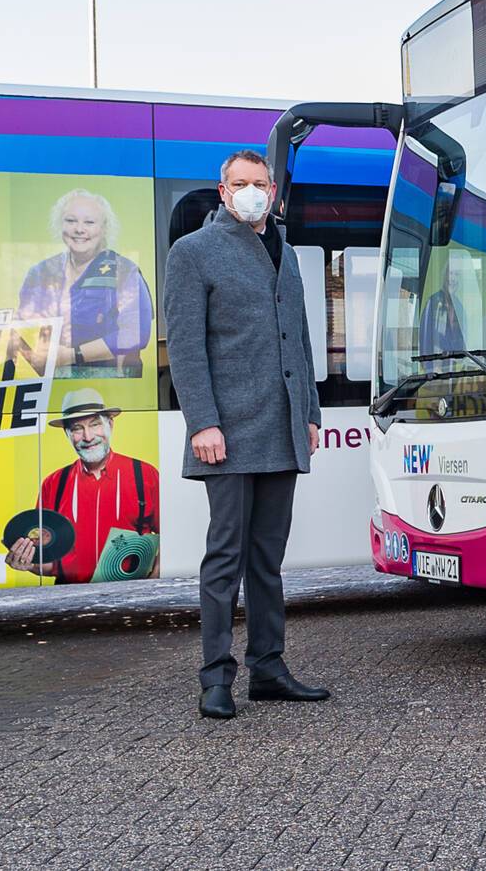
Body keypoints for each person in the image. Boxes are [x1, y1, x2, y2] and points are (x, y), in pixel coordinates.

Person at [165, 149, 326, 720]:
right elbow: (185, 348)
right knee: (224, 557)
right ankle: (215, 678)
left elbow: (299, 340)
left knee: (267, 559)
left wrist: (310, 414)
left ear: (274, 190)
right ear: (223, 190)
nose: (252, 191)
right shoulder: (193, 253)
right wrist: (202, 422)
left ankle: (269, 668)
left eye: (260, 183)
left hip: (281, 429)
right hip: (225, 433)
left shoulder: (285, 252)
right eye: (241, 183)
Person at [8, 389, 161, 583]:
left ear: (110, 425)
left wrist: (155, 574)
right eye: (77, 428)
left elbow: (173, 533)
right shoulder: (53, 484)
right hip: (70, 596)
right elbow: (50, 563)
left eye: (95, 424)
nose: (88, 437)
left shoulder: (145, 474)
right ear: (67, 434)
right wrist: (29, 563)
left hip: (132, 593)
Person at [17, 190, 154, 377]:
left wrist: (70, 356)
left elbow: (135, 334)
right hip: (49, 388)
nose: (79, 229)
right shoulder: (40, 272)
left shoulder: (124, 272)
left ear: (104, 228)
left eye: (89, 222)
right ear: (60, 225)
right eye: (71, 221)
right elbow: (24, 329)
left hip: (113, 388)